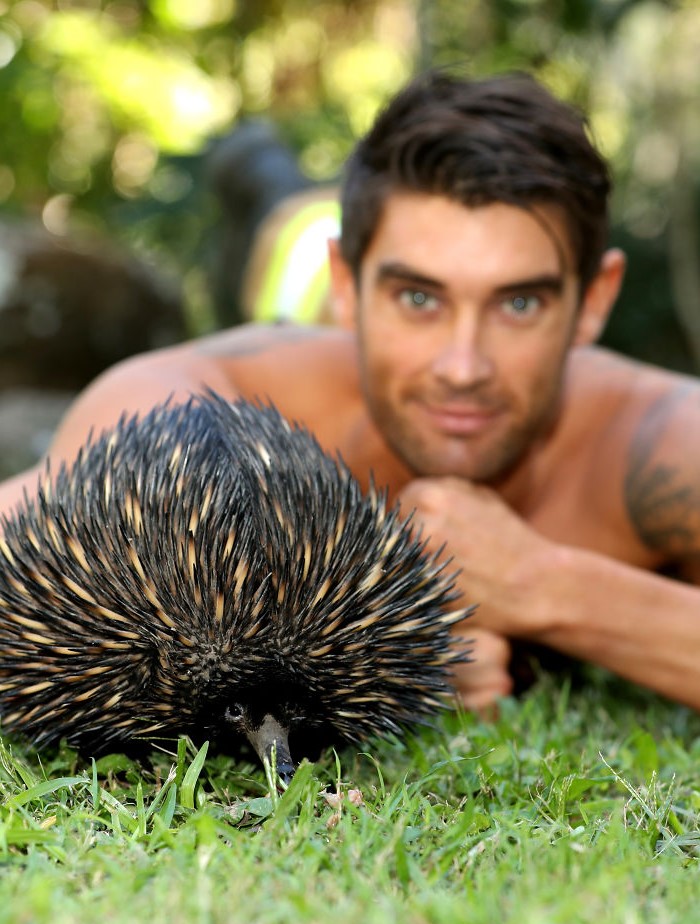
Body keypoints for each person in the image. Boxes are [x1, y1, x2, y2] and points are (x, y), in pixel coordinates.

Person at [2, 69, 700, 712]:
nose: (462, 367)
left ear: (594, 300)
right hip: (296, 292)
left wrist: (543, 585)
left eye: (519, 305)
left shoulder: (658, 445)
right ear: (350, 285)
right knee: (283, 236)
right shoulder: (181, 409)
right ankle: (264, 181)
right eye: (418, 298)